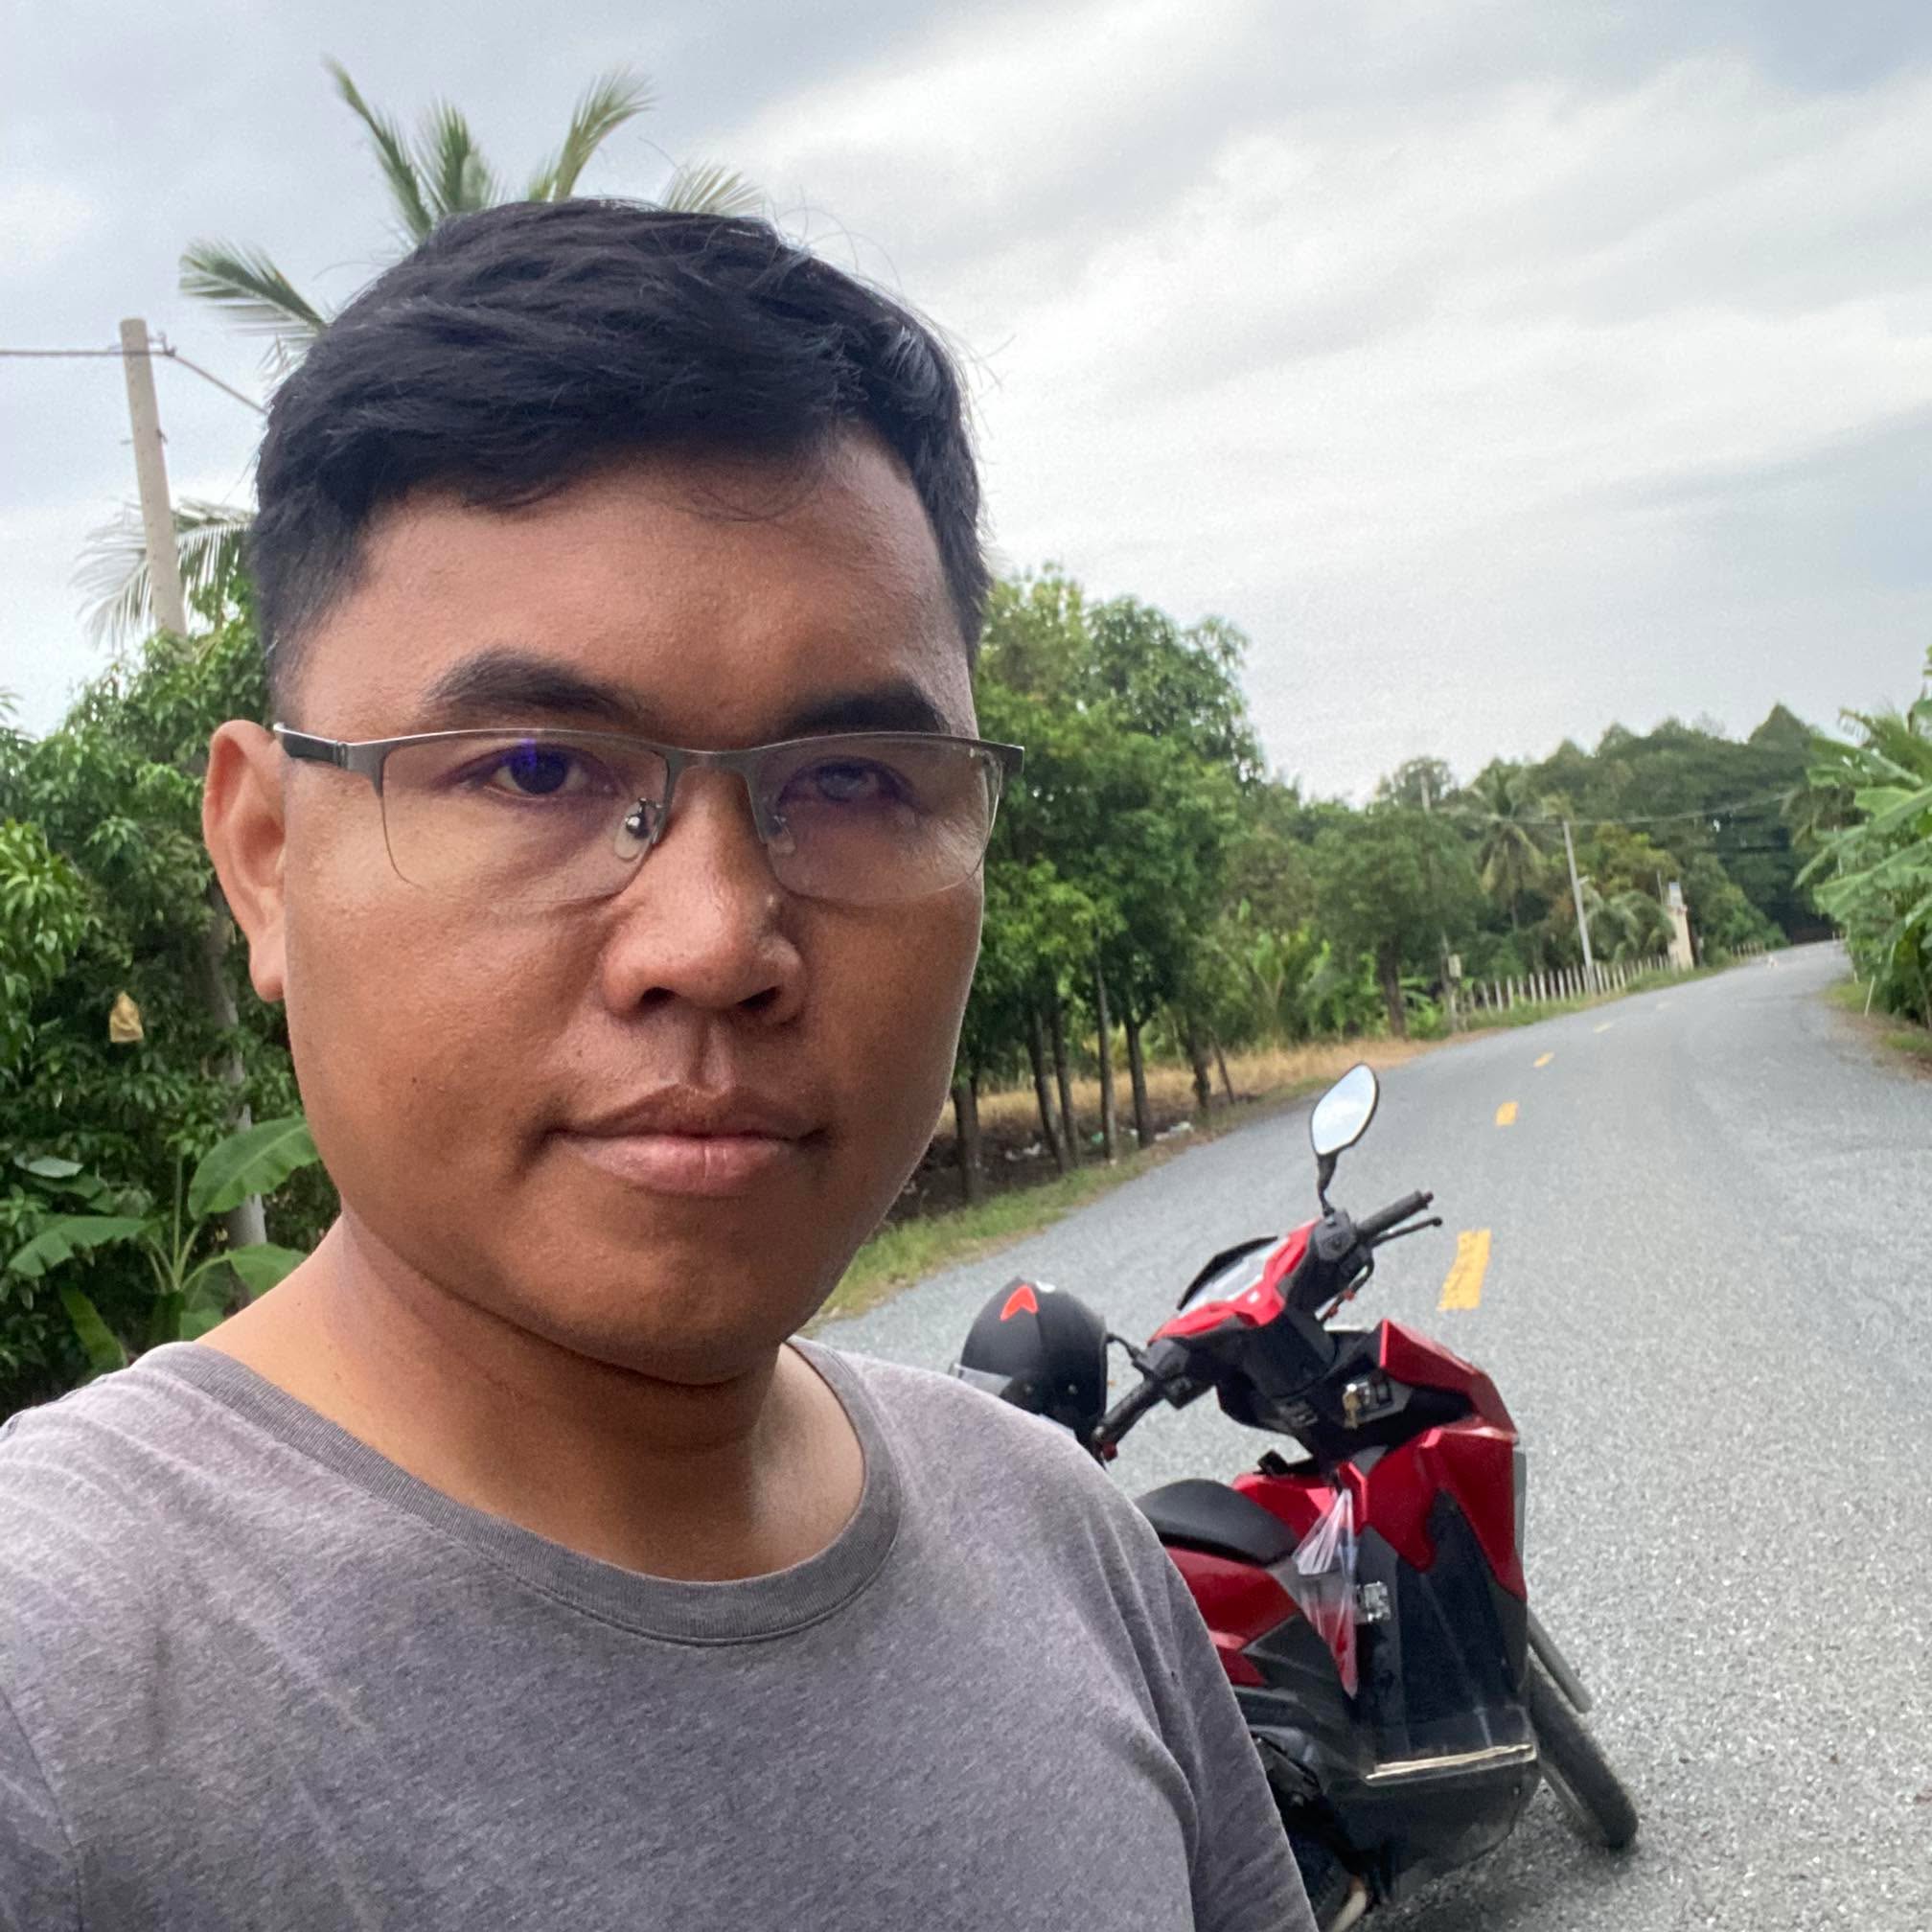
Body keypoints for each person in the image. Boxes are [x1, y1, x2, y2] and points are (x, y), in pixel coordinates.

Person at [0, 201, 1313, 1931]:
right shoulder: (59, 1700)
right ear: (264, 856)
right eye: (536, 768)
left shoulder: (1063, 1544)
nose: (713, 939)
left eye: (851, 780)